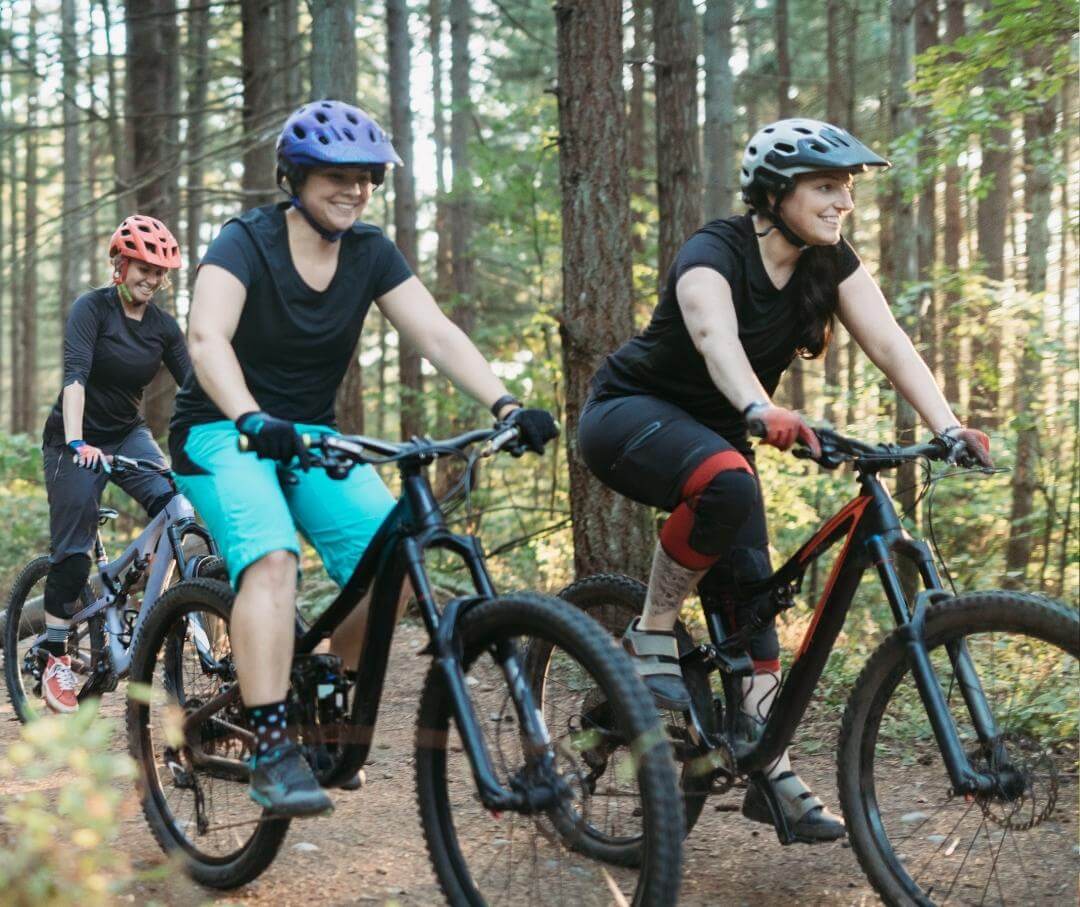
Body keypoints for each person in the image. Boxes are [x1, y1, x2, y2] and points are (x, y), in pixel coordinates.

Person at [577, 118, 992, 843]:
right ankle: (651, 631)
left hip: (720, 439)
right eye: (827, 188)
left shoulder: (829, 261)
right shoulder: (715, 250)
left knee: (755, 597)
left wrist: (949, 425)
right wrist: (758, 407)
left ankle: (769, 766)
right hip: (629, 416)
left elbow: (891, 343)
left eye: (849, 191)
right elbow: (713, 336)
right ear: (775, 194)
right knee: (729, 480)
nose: (844, 204)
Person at [169, 99, 558, 817]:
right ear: (297, 178)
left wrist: (505, 403)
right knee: (272, 558)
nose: (354, 189)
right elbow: (205, 339)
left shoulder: (371, 251)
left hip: (309, 434)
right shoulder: (245, 242)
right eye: (336, 176)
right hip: (222, 429)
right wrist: (249, 413)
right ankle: (272, 741)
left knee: (391, 564)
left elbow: (435, 333)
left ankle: (326, 702)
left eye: (367, 178)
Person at [40, 215, 189, 714]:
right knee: (74, 547)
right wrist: (79, 439)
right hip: (74, 440)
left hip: (127, 433)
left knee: (178, 505)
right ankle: (55, 652)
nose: (150, 278)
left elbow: (193, 386)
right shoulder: (93, 309)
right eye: (142, 267)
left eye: (159, 271)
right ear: (120, 265)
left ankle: (139, 597)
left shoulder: (164, 328)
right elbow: (75, 377)